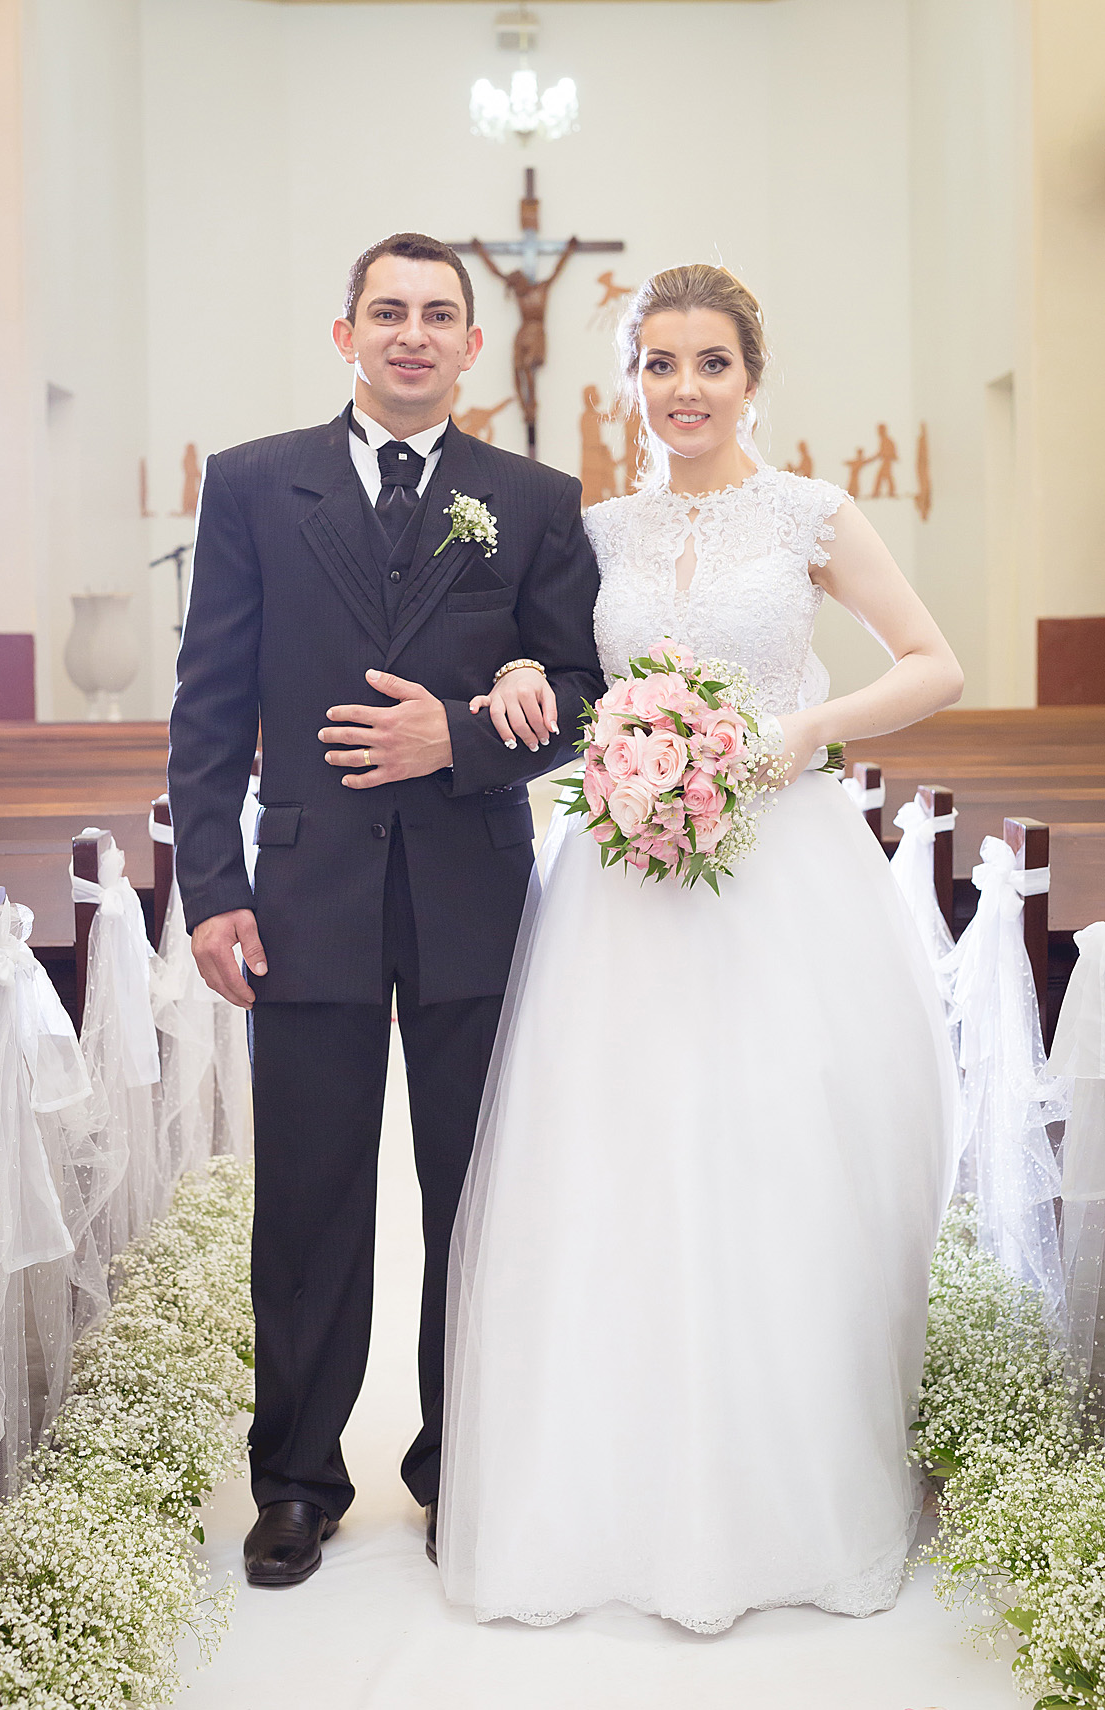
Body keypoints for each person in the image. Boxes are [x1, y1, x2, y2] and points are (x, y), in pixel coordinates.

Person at [440, 263, 963, 1631]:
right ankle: (613, 1484)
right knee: (620, 1163)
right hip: (622, 888)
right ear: (630, 379)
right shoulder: (595, 529)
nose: (683, 389)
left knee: (769, 1160)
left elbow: (931, 662)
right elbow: (556, 673)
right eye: (659, 363)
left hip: (778, 872)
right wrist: (520, 685)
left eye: (709, 363)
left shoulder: (809, 512)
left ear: (751, 374)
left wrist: (789, 735)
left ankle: (782, 1486)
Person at [167, 231, 604, 1588]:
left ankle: (458, 1461)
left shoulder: (531, 498)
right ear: (344, 332)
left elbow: (585, 699)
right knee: (308, 1202)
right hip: (303, 892)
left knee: (477, 1193)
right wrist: (212, 890)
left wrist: (461, 738)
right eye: (387, 311)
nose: (412, 335)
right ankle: (297, 1478)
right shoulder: (247, 485)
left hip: (475, 891)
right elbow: (207, 704)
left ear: (475, 345)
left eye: (438, 316)